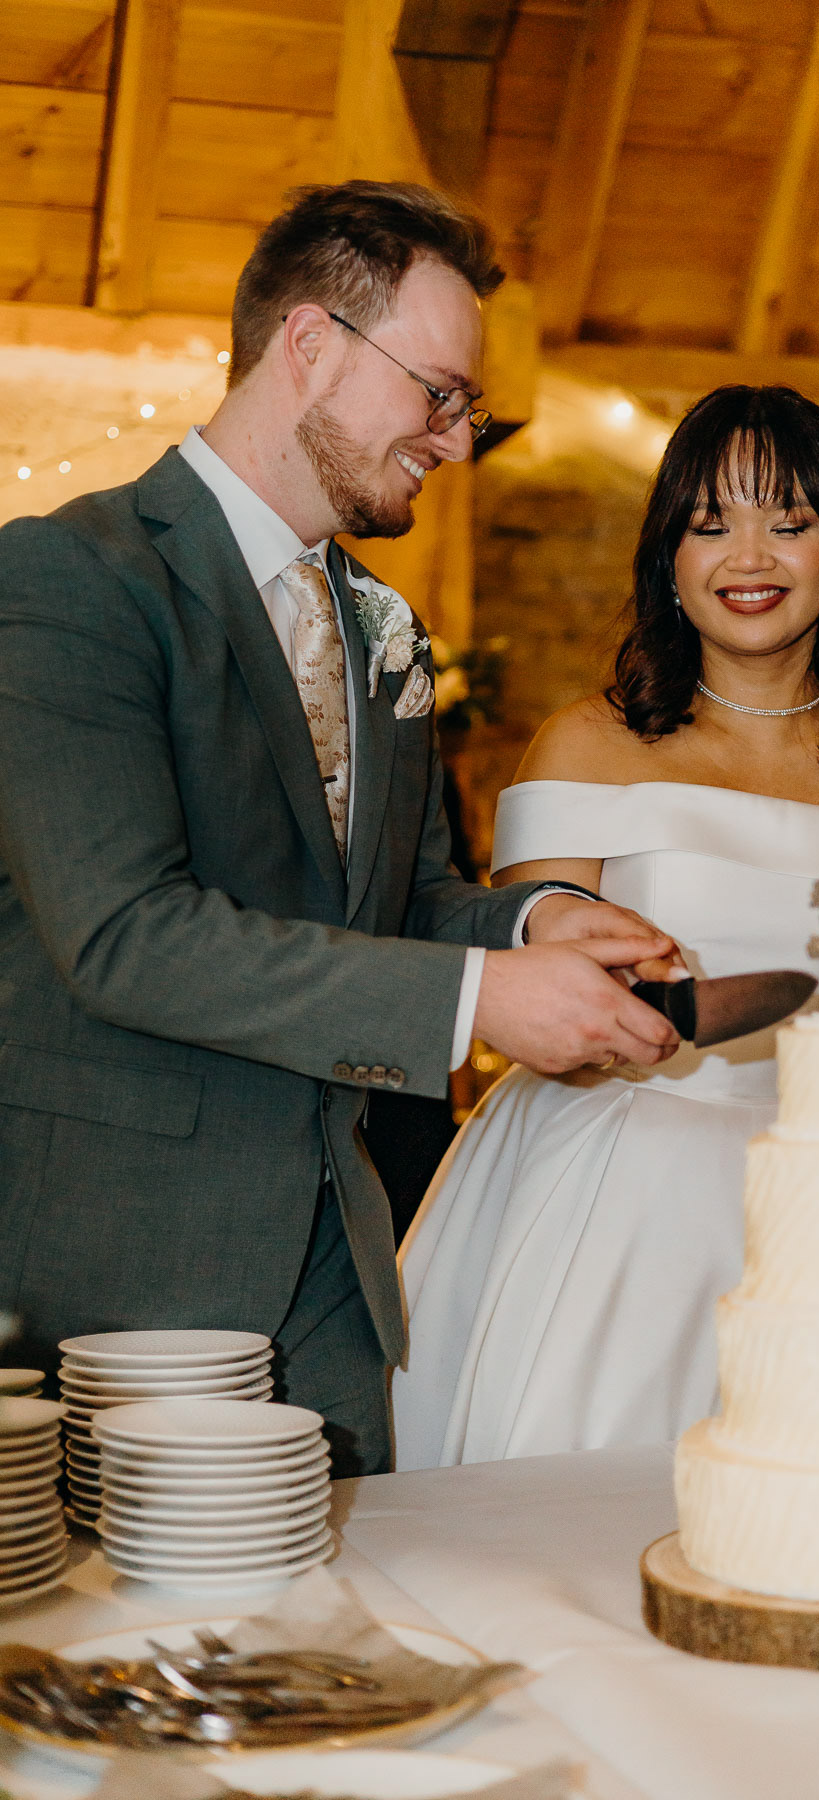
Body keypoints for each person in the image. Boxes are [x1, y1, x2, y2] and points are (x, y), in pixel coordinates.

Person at [0, 181, 682, 1477]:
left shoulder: (387, 632)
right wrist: (480, 998)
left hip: (331, 1271)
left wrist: (540, 921)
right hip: (111, 1275)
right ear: (309, 343)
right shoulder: (69, 581)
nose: (458, 439)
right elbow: (124, 938)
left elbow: (406, 900)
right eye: (439, 393)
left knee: (346, 1664)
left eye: (465, 406)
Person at [392, 384, 819, 1469]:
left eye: (786, 522)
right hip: (604, 1177)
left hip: (818, 1198)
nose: (747, 556)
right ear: (668, 558)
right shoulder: (586, 747)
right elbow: (527, 997)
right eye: (709, 524)